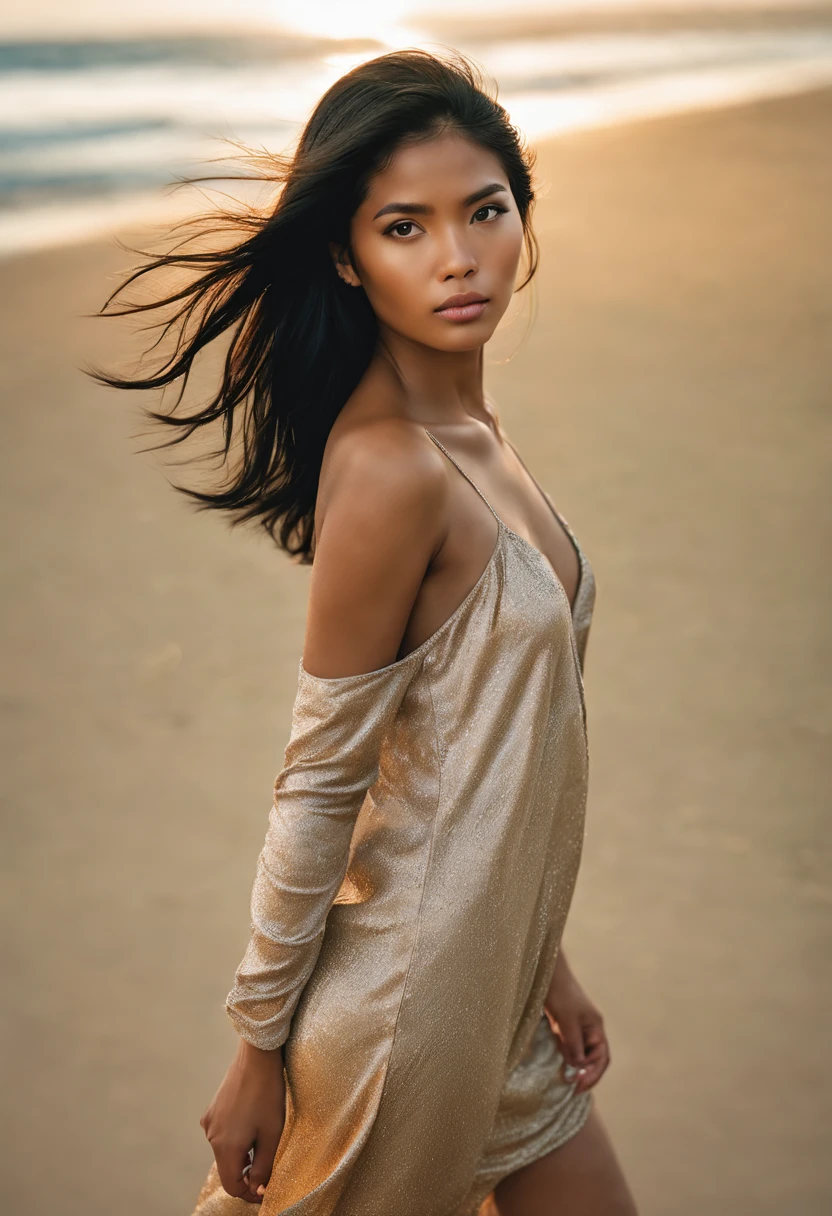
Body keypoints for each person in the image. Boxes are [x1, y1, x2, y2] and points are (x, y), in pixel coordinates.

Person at [88, 47, 639, 1216]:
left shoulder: (478, 435)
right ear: (347, 253)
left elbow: (483, 763)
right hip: (405, 1020)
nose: (456, 256)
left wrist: (547, 965)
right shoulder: (392, 468)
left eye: (483, 210)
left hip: (495, 997)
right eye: (404, 227)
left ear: (519, 215)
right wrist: (255, 1048)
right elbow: (323, 783)